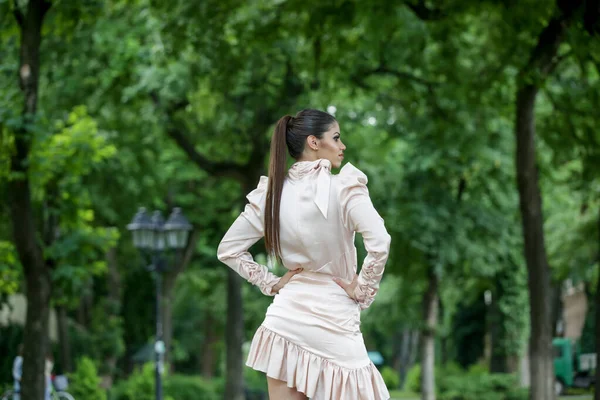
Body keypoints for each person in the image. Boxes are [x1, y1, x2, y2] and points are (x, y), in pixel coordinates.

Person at [217, 109, 391, 400]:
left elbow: (228, 249)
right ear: (313, 142)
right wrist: (363, 289)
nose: (342, 146)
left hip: (286, 321)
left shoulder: (270, 195)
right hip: (336, 322)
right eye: (336, 138)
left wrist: (271, 283)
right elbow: (380, 242)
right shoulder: (346, 189)